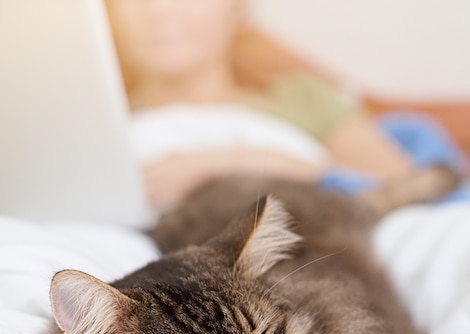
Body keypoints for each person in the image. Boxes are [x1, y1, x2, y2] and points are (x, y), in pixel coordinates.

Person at [105, 0, 416, 211]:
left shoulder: (305, 99)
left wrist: (232, 164)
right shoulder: (96, 126)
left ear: (237, 8)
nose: (160, 9)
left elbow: (410, 191)